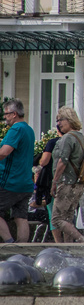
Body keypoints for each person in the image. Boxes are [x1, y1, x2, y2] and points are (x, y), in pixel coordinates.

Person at [51, 106, 84, 243]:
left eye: (60, 120)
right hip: (77, 184)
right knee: (67, 218)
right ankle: (69, 248)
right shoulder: (80, 137)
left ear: (69, 119)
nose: (58, 124)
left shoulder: (67, 138)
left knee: (56, 219)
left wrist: (54, 182)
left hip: (66, 182)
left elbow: (62, 161)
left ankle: (81, 239)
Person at [0, 99, 35, 243]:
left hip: (10, 182)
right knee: (21, 217)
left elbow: (4, 152)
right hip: (25, 183)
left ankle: (9, 243)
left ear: (14, 114)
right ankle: (22, 251)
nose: (5, 118)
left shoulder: (16, 129)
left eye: (6, 114)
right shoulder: (28, 129)